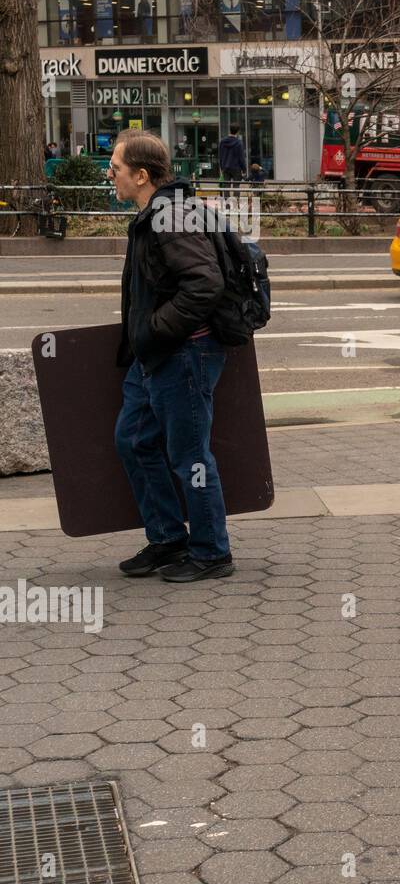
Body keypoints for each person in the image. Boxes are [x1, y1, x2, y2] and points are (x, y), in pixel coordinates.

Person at [111, 130, 234, 583]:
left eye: (117, 168)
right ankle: (167, 539)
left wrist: (156, 330)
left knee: (190, 457)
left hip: (185, 353)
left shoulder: (171, 217)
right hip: (157, 354)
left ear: (141, 175)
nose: (111, 175)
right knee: (134, 440)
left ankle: (211, 552)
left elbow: (204, 284)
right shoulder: (155, 213)